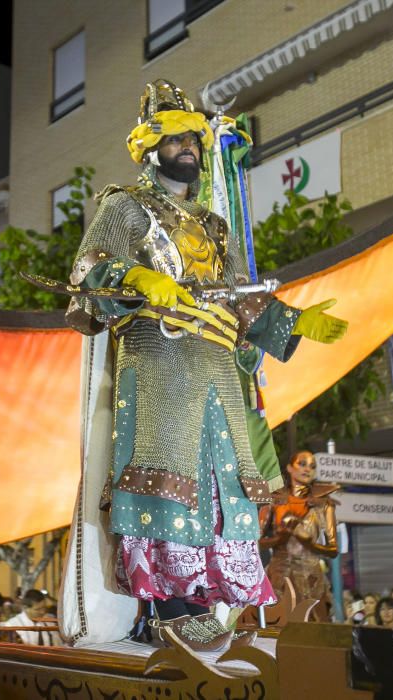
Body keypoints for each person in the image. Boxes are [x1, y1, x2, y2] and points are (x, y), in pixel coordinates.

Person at [65, 79, 348, 652]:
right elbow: (86, 269)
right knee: (168, 485)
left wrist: (290, 322)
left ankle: (203, 605)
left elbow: (239, 296)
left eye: (195, 135)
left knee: (219, 493)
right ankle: (164, 606)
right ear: (150, 145)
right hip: (161, 360)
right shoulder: (125, 207)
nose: (190, 145)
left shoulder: (214, 226)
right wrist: (134, 276)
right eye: (176, 136)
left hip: (217, 368)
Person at [258, 450, 339, 609]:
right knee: (278, 626)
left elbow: (333, 549)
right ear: (289, 468)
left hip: (311, 577)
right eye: (302, 464)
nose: (307, 469)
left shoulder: (324, 503)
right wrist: (280, 539)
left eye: (312, 466)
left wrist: (309, 543)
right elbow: (255, 543)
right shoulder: (275, 500)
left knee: (312, 625)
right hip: (279, 575)